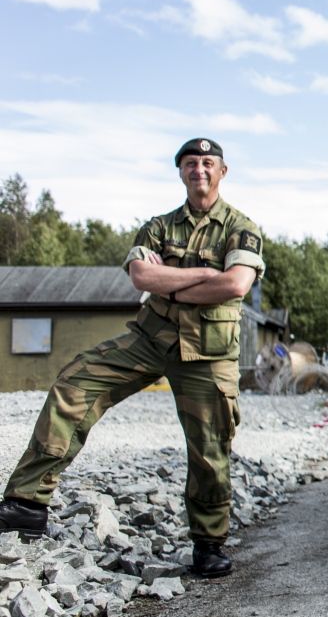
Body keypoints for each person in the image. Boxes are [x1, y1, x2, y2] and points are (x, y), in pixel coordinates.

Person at [0, 138, 263, 578]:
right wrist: (203, 274)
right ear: (180, 172)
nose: (199, 169)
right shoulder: (158, 227)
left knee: (209, 448)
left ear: (222, 171)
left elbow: (236, 285)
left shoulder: (241, 227)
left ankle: (208, 544)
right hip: (149, 338)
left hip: (209, 352)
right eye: (191, 163)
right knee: (75, 384)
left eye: (207, 162)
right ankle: (27, 503)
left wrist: (169, 283)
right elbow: (141, 275)